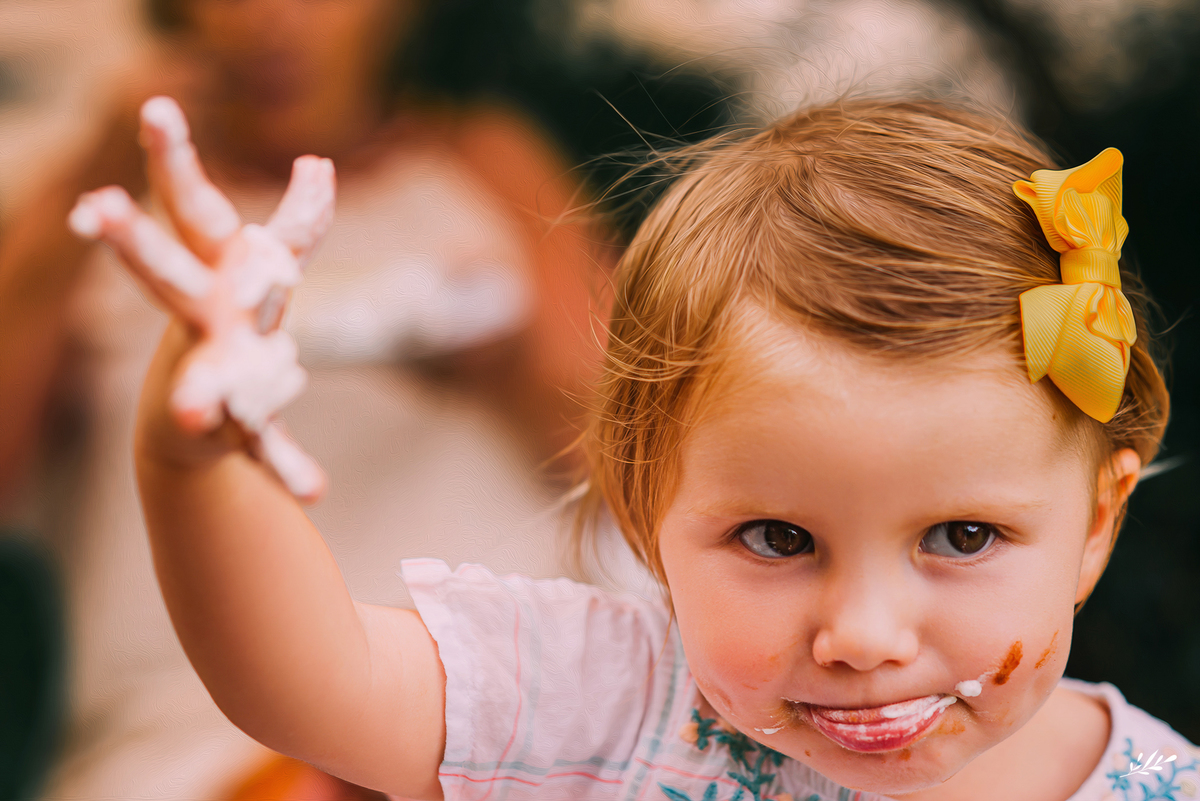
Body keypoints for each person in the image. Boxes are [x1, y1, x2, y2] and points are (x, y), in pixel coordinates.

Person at [74, 95, 1194, 801]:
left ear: (1098, 522)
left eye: (961, 536)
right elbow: (309, 678)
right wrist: (197, 456)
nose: (863, 635)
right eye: (776, 537)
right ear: (648, 501)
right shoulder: (612, 707)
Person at [0, 2, 610, 798]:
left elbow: (632, 458)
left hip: (499, 695)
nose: (273, 21)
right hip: (195, 729)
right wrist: (98, 170)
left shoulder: (490, 161)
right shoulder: (94, 199)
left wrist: (507, 362)